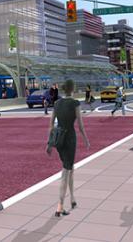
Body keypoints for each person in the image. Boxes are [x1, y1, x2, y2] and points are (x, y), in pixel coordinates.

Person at [48, 79, 89, 217]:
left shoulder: (57, 103)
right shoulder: (75, 103)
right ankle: (60, 206)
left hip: (59, 139)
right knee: (66, 172)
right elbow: (80, 125)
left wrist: (49, 143)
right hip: (70, 138)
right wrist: (86, 140)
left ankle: (72, 199)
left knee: (70, 168)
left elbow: (51, 124)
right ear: (72, 89)